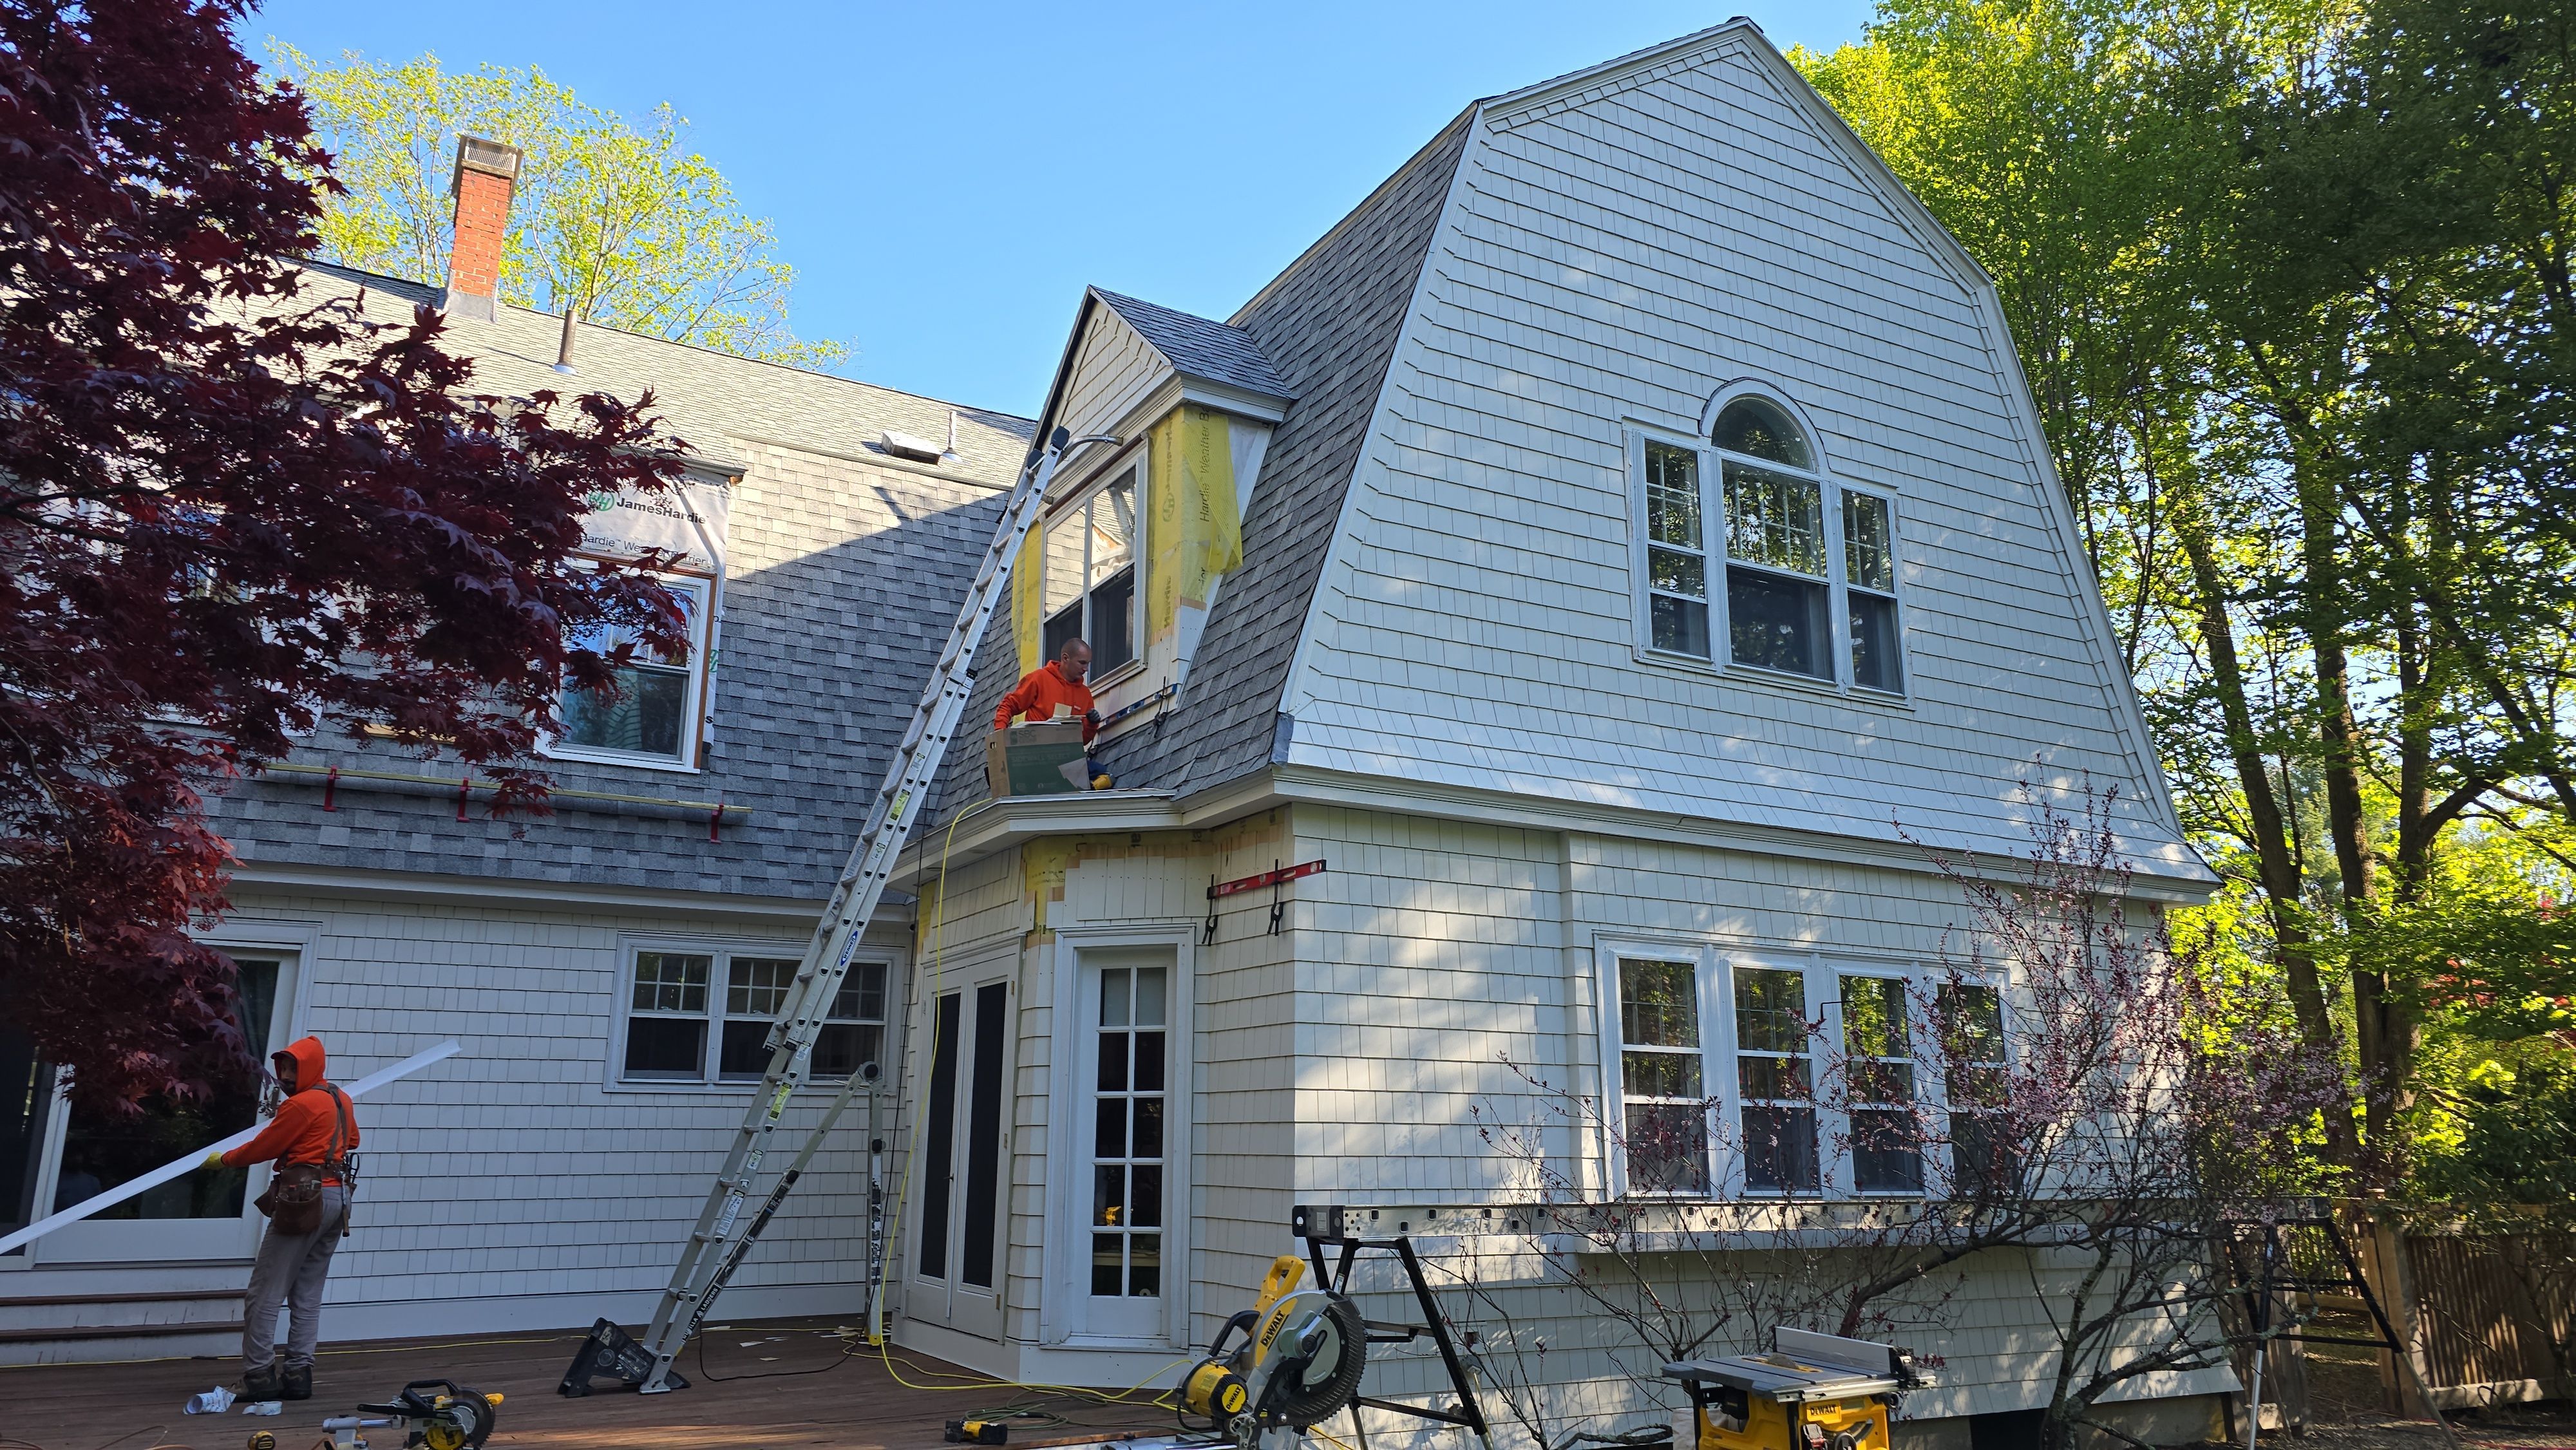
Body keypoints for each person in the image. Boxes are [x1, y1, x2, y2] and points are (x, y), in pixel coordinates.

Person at [204, 1035, 357, 1402]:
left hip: (303, 1199)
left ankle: (258, 1376)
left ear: (309, 1068)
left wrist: (224, 1160)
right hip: (338, 1198)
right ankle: (299, 1375)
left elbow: (264, 1147)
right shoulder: (341, 1098)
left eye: (292, 1068)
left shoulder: (302, 1105)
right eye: (283, 1068)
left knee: (265, 1292)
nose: (286, 1076)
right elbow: (352, 1140)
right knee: (307, 1291)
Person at [995, 637, 1110, 787]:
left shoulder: (1085, 694)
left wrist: (1092, 724)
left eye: (1088, 664)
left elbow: (1082, 741)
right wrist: (1000, 737)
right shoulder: (1039, 679)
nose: (1086, 669)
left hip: (1065, 760)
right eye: (1082, 663)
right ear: (1065, 658)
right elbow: (1008, 705)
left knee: (1104, 776)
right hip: (1035, 757)